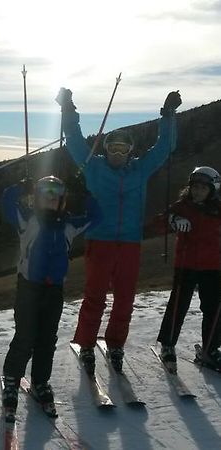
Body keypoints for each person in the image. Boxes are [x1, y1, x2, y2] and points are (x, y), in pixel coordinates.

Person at [56, 87, 182, 373]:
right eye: (113, 147)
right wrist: (68, 110)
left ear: (130, 152)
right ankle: (87, 344)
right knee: (95, 296)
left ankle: (115, 344)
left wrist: (168, 115)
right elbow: (74, 140)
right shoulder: (93, 168)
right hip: (99, 241)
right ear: (105, 150)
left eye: (123, 149)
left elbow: (165, 147)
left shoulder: (140, 169)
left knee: (125, 298)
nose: (117, 153)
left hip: (130, 244)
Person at [1, 175, 101, 417]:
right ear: (36, 198)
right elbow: (6, 202)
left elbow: (96, 217)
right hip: (28, 288)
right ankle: (12, 379)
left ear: (62, 201)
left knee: (47, 339)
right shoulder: (28, 219)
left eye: (55, 196)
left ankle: (40, 382)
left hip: (54, 290)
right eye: (44, 195)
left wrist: (84, 195)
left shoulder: (69, 224)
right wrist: (20, 186)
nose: (50, 200)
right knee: (25, 336)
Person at [157, 167, 221, 371]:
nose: (198, 191)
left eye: (203, 187)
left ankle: (210, 349)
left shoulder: (218, 208)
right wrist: (174, 219)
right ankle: (168, 344)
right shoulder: (182, 206)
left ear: (213, 189)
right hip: (186, 263)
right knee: (178, 304)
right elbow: (159, 222)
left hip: (213, 266)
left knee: (213, 308)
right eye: (195, 187)